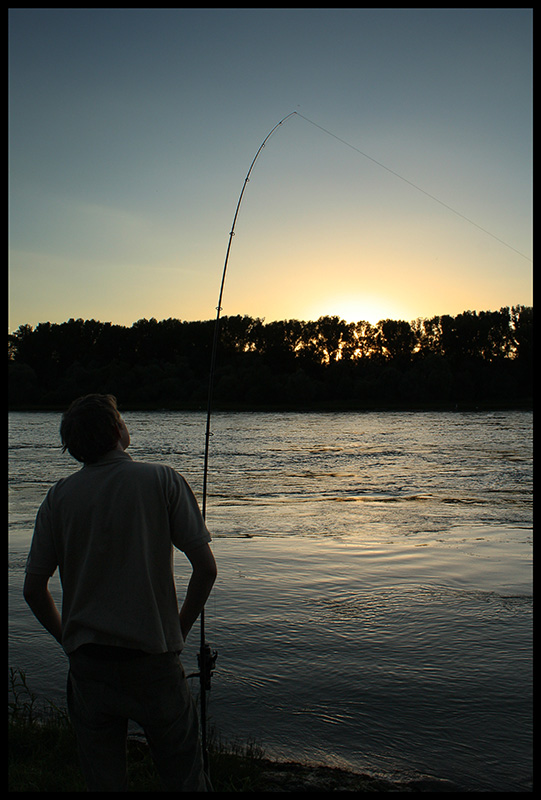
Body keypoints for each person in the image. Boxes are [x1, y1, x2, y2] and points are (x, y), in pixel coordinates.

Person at [23, 394, 217, 792]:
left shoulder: (57, 498)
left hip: (89, 665)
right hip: (155, 662)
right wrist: (177, 631)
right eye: (122, 420)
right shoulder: (162, 479)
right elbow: (206, 570)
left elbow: (33, 589)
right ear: (116, 431)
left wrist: (69, 640)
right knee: (184, 780)